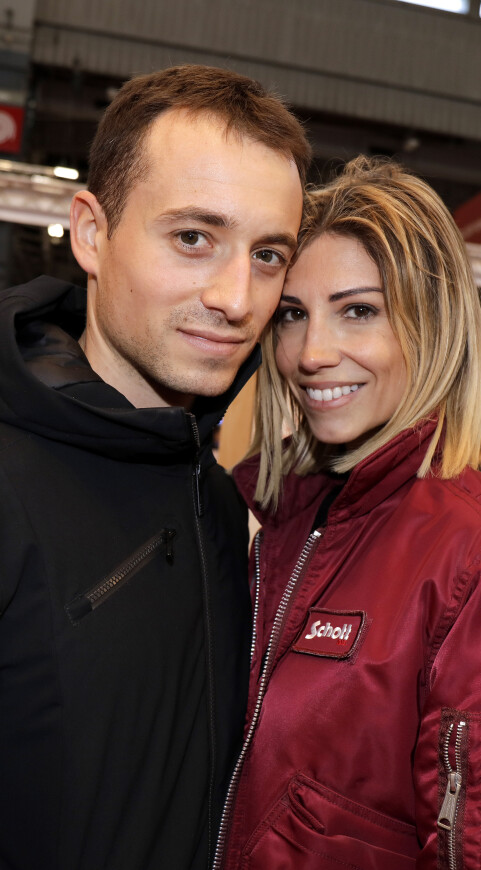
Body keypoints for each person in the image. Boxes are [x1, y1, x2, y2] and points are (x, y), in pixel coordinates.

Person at [219, 157, 481, 869]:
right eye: (293, 315)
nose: (313, 353)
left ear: (431, 324)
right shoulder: (278, 525)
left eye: (360, 310)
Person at [0, 64, 309, 870]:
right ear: (92, 232)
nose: (238, 298)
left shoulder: (211, 496)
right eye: (194, 238)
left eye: (269, 254)